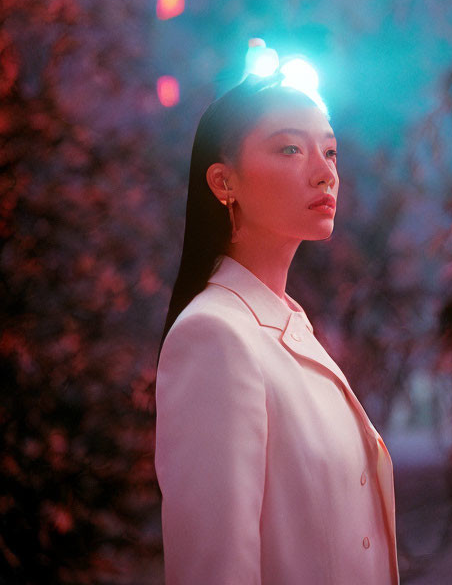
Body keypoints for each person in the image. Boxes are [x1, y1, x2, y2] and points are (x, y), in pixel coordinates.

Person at [155, 72, 400, 585]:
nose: (324, 173)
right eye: (290, 149)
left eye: (330, 152)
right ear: (224, 182)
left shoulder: (287, 326)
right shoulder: (215, 337)